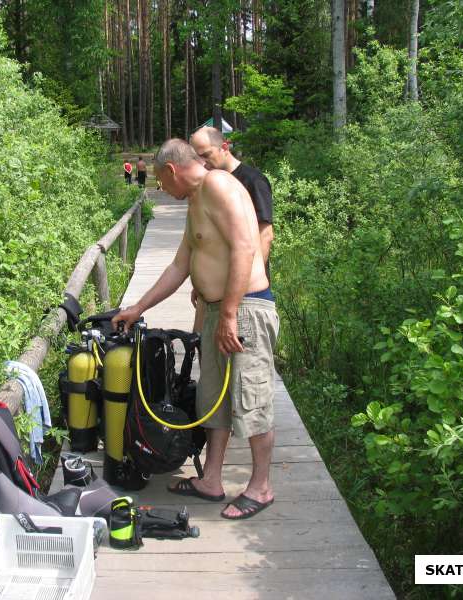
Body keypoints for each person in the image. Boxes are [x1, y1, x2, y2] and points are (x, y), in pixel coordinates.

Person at [112, 139, 279, 520]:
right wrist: (137, 308)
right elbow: (178, 267)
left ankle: (261, 487)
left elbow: (244, 248)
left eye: (160, 182)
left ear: (171, 170)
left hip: (245, 311)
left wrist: (230, 315)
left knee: (251, 399)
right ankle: (212, 480)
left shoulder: (219, 185)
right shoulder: (195, 203)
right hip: (217, 311)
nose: (162, 191)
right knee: (212, 401)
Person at [189, 126, 274, 333]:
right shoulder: (205, 184)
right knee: (202, 346)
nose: (203, 163)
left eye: (206, 155)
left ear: (224, 147)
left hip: (243, 293)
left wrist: (241, 285)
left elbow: (265, 236)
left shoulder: (253, 181)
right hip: (211, 296)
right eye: (197, 158)